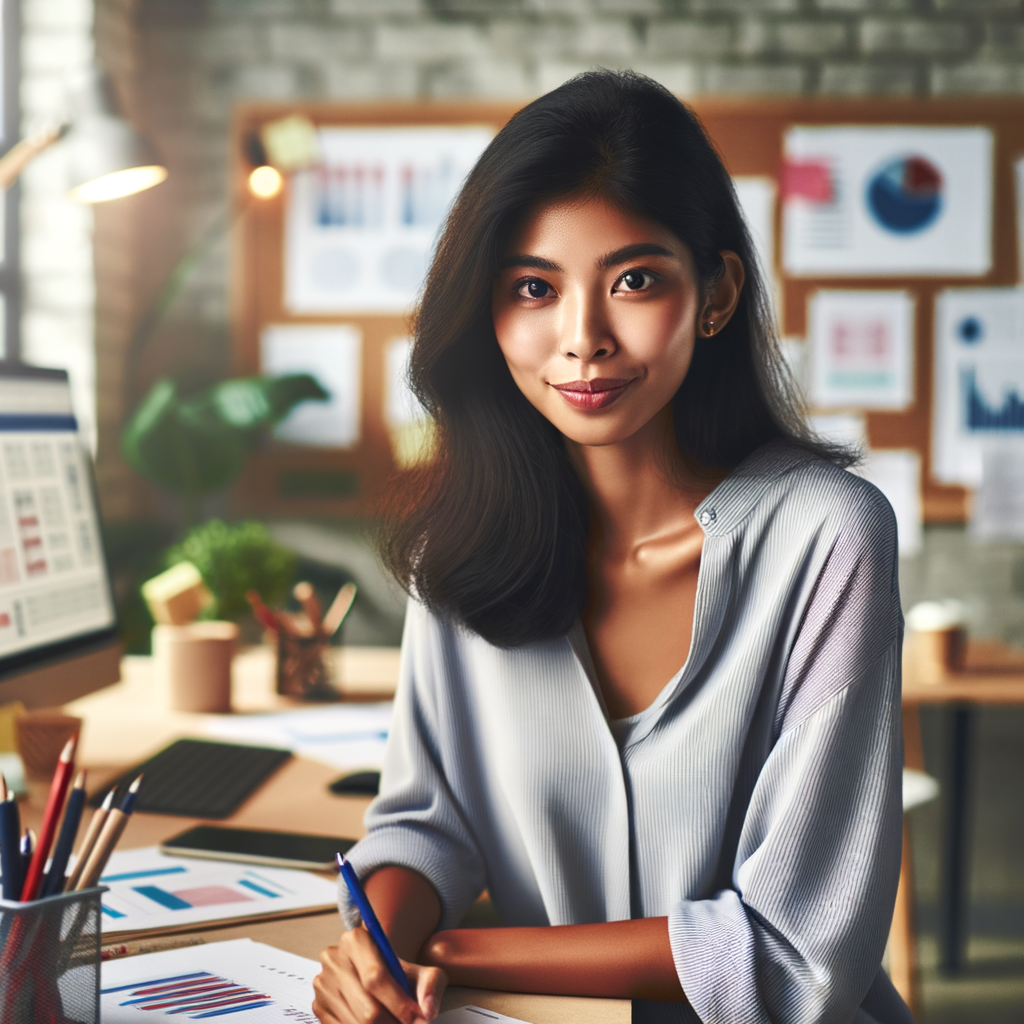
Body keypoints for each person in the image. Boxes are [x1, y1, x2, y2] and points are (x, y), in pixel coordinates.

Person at [313, 71, 910, 1024]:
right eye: (533, 288)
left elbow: (796, 951)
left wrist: (451, 950)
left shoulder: (830, 535)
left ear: (715, 294)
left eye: (634, 280)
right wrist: (374, 950)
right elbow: (428, 824)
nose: (582, 339)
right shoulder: (456, 542)